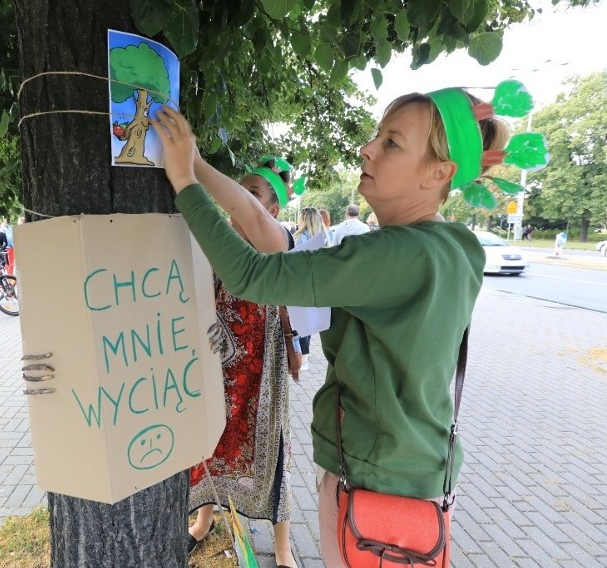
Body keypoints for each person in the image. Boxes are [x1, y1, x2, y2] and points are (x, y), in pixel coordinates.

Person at [154, 85, 511, 566]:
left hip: (374, 486)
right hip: (414, 475)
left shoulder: (393, 253)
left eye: (392, 143)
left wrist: (183, 181)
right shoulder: (450, 247)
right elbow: (265, 230)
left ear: (439, 173)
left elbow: (251, 273)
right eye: (376, 136)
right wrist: (194, 162)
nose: (367, 148)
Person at [179, 155, 300, 568]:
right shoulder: (215, 239)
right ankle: (204, 520)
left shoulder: (277, 242)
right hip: (216, 362)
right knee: (210, 441)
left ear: (272, 210)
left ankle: (282, 548)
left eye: (250, 194)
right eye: (237, 190)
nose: (236, 201)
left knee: (273, 444)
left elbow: (289, 302)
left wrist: (293, 344)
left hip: (262, 365)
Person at [293, 207, 327, 371]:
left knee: (297, 322)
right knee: (309, 323)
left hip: (299, 286)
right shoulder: (326, 237)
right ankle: (304, 359)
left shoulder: (299, 237)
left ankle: (297, 356)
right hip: (317, 286)